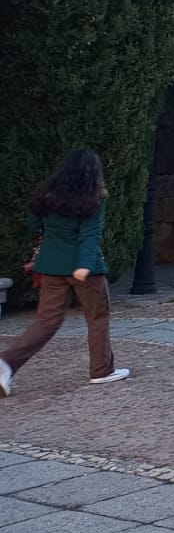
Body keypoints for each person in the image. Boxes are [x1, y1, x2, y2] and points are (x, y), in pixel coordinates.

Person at [1, 149, 129, 397]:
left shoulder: (47, 196)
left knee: (47, 321)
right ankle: (101, 370)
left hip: (50, 265)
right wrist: (83, 265)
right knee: (98, 317)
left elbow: (33, 224)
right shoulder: (94, 198)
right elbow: (90, 234)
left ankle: (5, 363)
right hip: (84, 268)